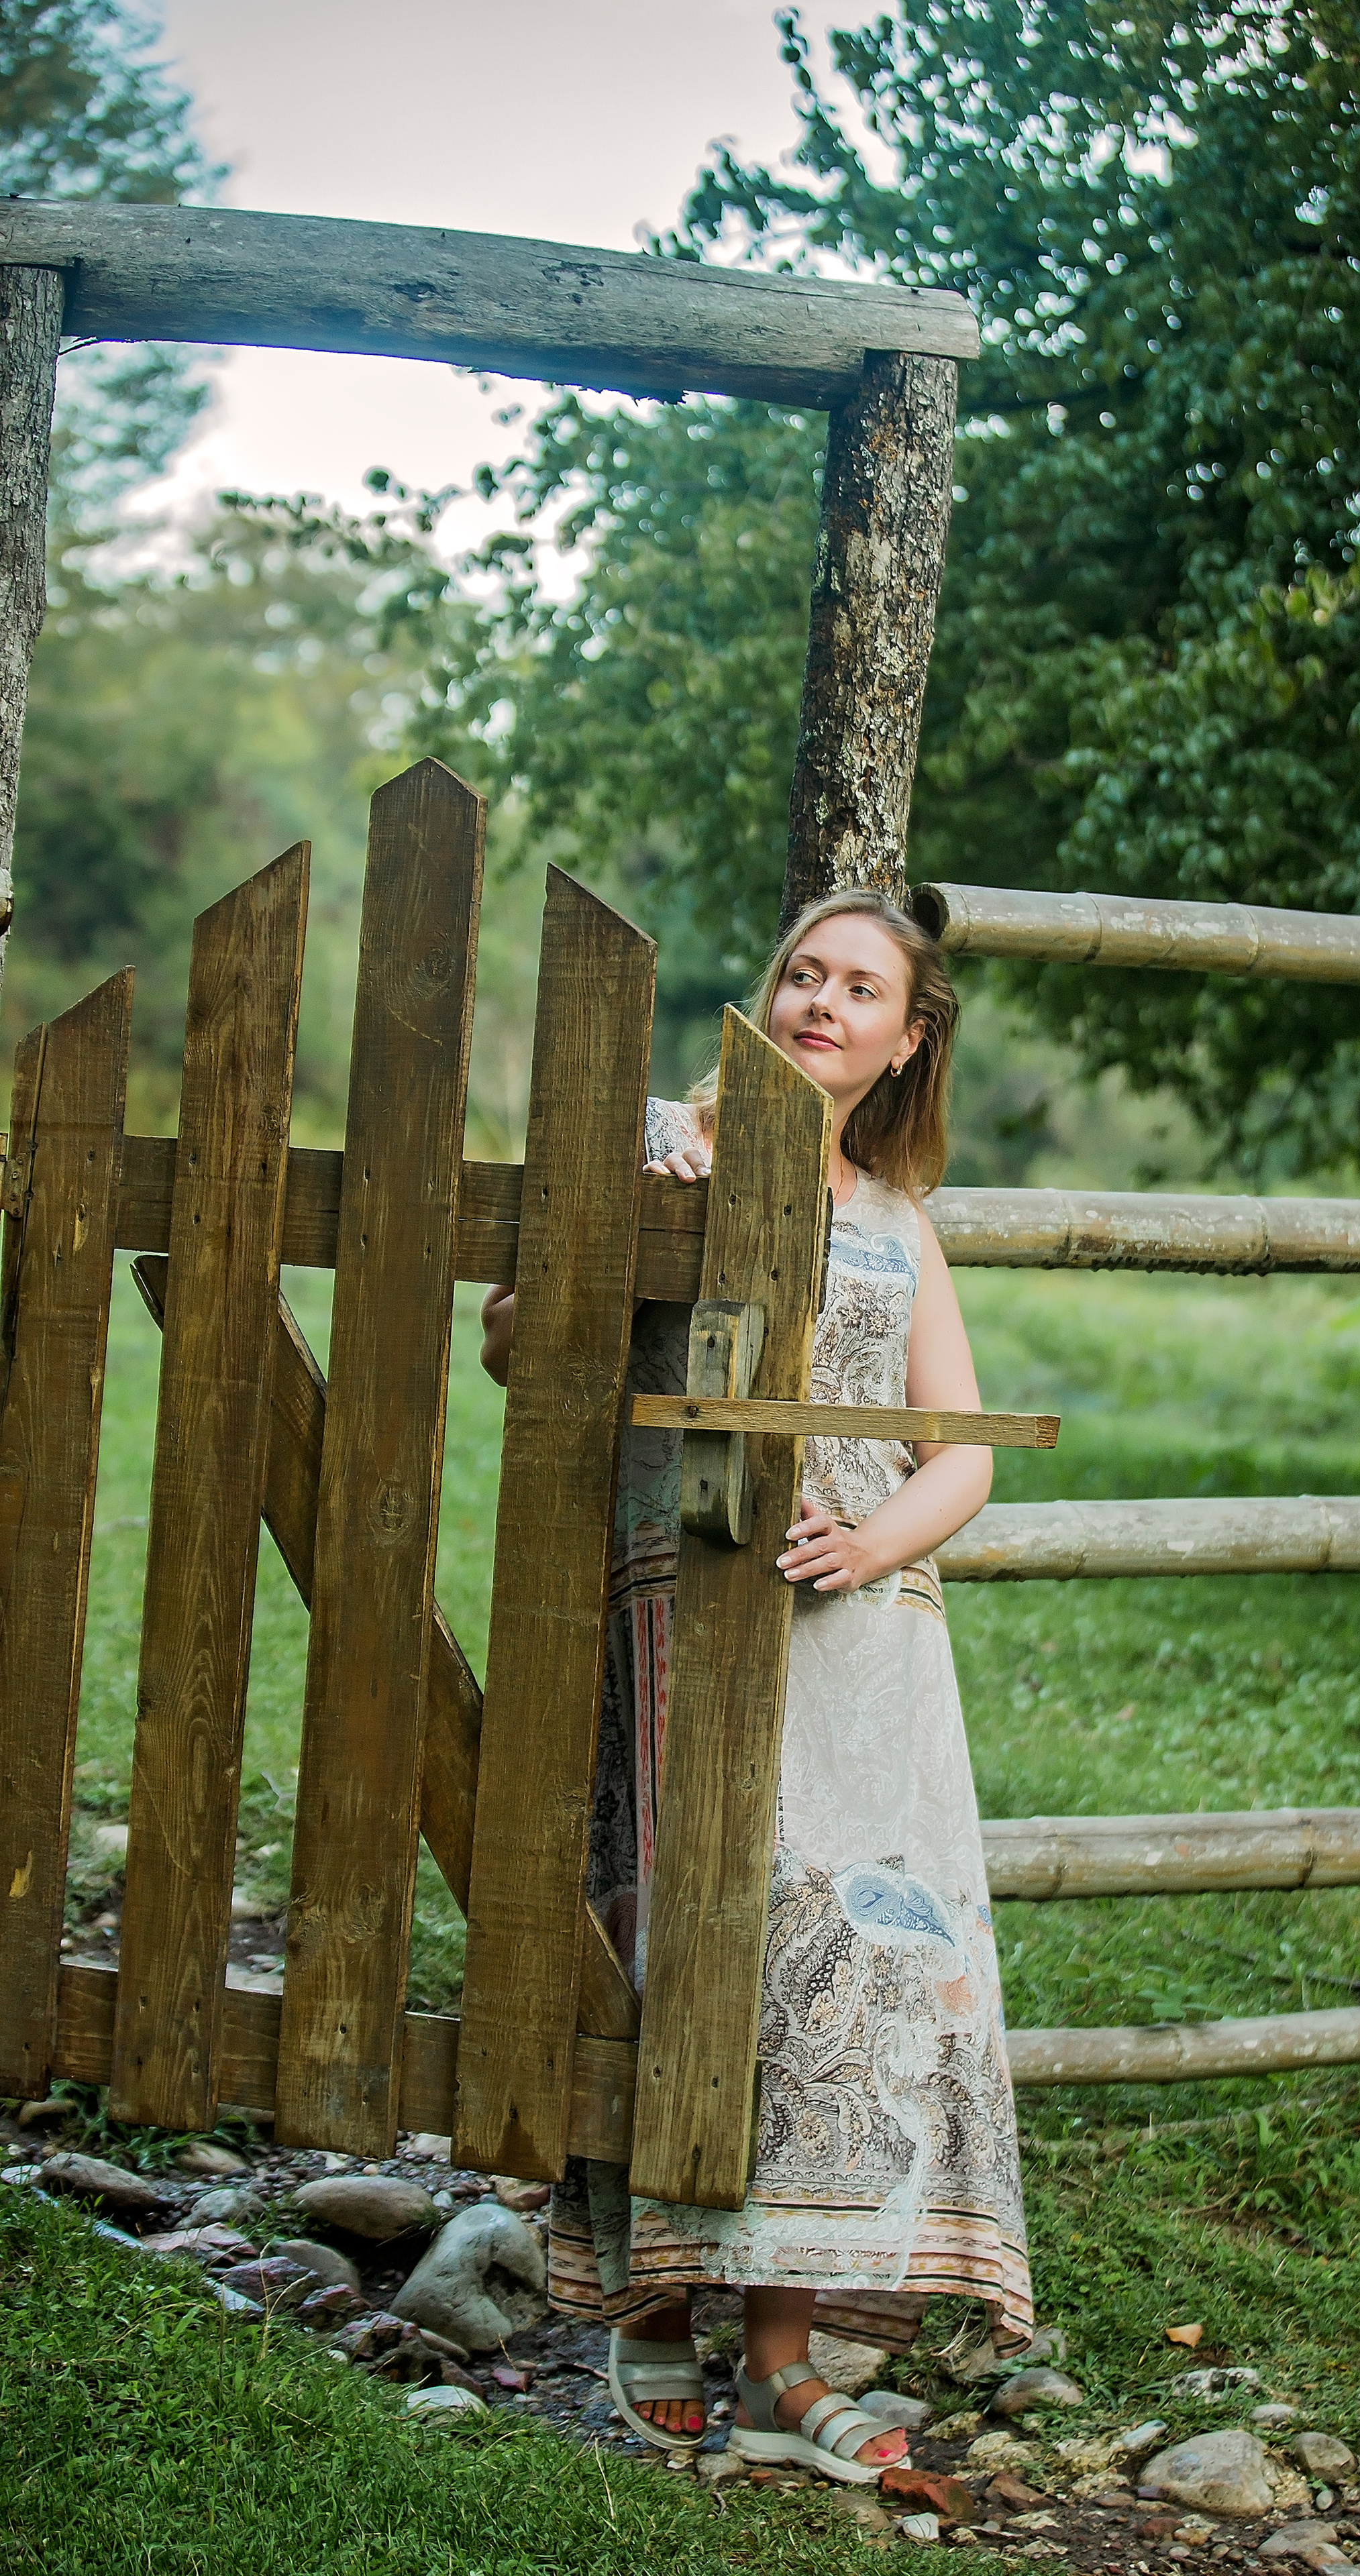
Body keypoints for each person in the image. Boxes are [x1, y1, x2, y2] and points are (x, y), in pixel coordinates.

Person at [479, 888, 1032, 2483]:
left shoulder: (894, 1217)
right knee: (679, 1941)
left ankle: (780, 2362)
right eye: (802, 972)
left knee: (838, 1967)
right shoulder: (666, 1140)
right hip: (677, 1605)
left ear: (906, 1037)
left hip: (856, 1636)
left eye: (861, 988)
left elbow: (963, 1458)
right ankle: (648, 2307)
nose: (820, 1003)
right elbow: (522, 1341)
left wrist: (865, 1546)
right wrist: (619, 1231)